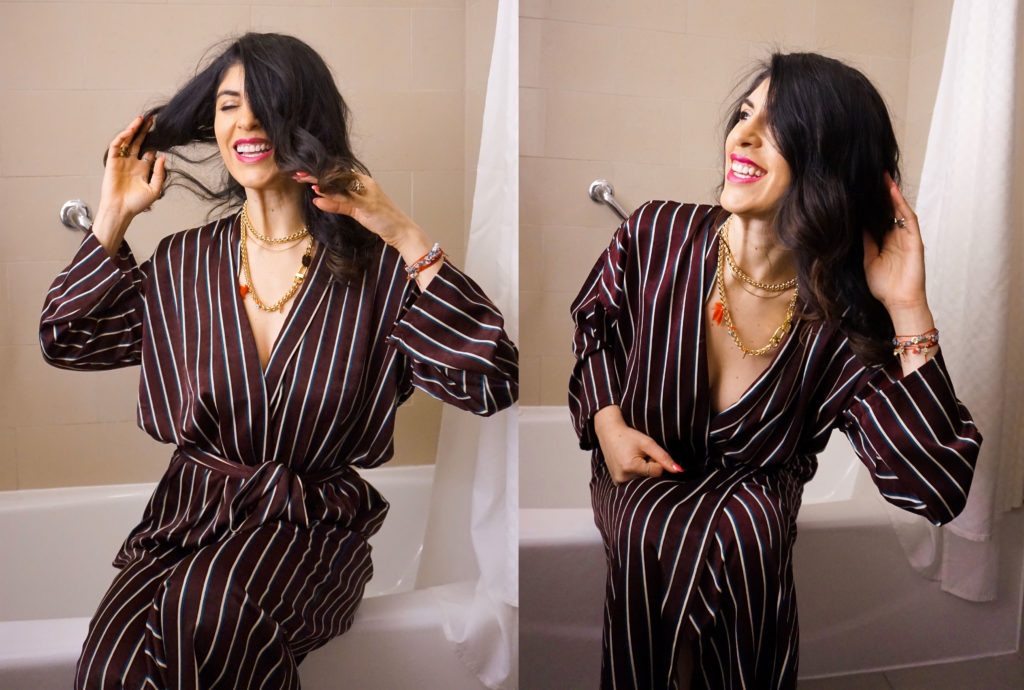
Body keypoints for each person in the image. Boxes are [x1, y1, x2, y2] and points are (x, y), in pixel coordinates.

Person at [40, 33, 517, 690]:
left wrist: (403, 233)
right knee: (111, 660)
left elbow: (491, 379)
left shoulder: (377, 270)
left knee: (205, 604)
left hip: (310, 533)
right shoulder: (183, 262)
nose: (246, 121)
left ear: (306, 119)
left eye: (266, 102)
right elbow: (67, 338)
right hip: (188, 523)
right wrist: (113, 217)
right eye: (228, 105)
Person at [568, 52, 980, 690]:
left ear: (830, 161)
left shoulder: (840, 321)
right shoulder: (655, 235)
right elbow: (596, 333)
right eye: (744, 114)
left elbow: (934, 486)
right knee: (651, 524)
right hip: (637, 469)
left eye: (777, 124)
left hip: (755, 496)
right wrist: (608, 425)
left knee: (749, 530)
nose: (742, 135)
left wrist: (907, 306)